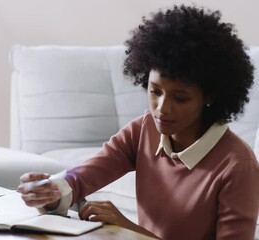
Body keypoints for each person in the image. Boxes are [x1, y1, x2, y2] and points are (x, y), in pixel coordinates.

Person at [17, 5, 259, 240]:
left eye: (180, 98)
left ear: (210, 97)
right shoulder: (143, 130)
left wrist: (130, 230)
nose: (162, 109)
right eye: (155, 91)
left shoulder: (237, 167)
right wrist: (48, 191)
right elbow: (81, 179)